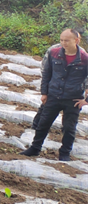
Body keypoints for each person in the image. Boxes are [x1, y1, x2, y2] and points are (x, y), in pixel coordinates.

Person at [21, 29, 88, 161]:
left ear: (77, 40)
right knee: (43, 124)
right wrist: (44, 93)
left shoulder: (84, 58)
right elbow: (46, 73)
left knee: (69, 128)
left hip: (72, 98)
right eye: (61, 40)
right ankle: (35, 148)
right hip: (53, 95)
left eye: (67, 40)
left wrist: (86, 100)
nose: (63, 43)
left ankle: (64, 153)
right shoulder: (54, 53)